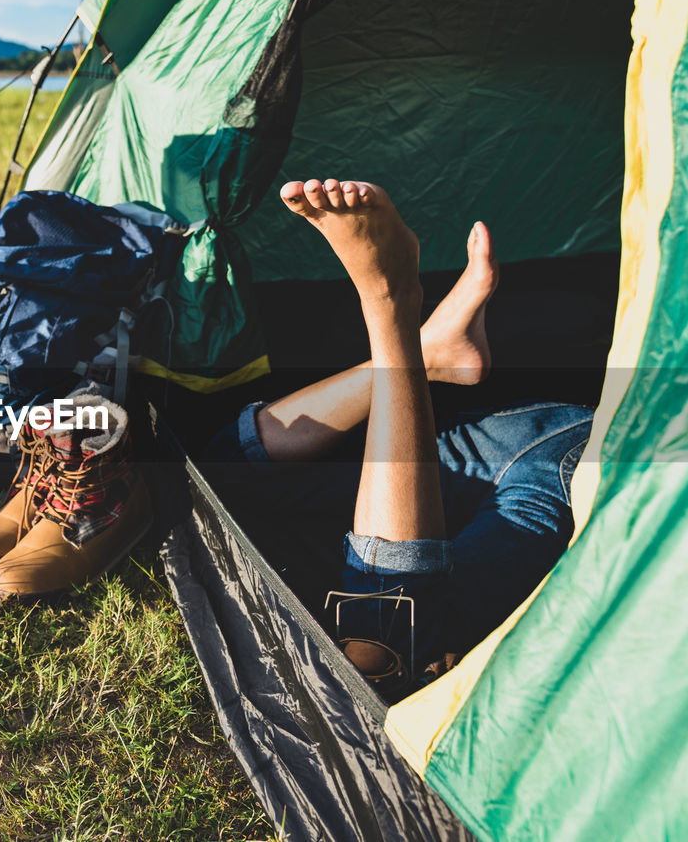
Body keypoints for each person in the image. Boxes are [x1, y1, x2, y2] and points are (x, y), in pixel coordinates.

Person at [203, 178, 593, 690]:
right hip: (547, 436)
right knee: (211, 476)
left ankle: (410, 331)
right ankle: (402, 319)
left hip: (573, 462)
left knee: (387, 643)